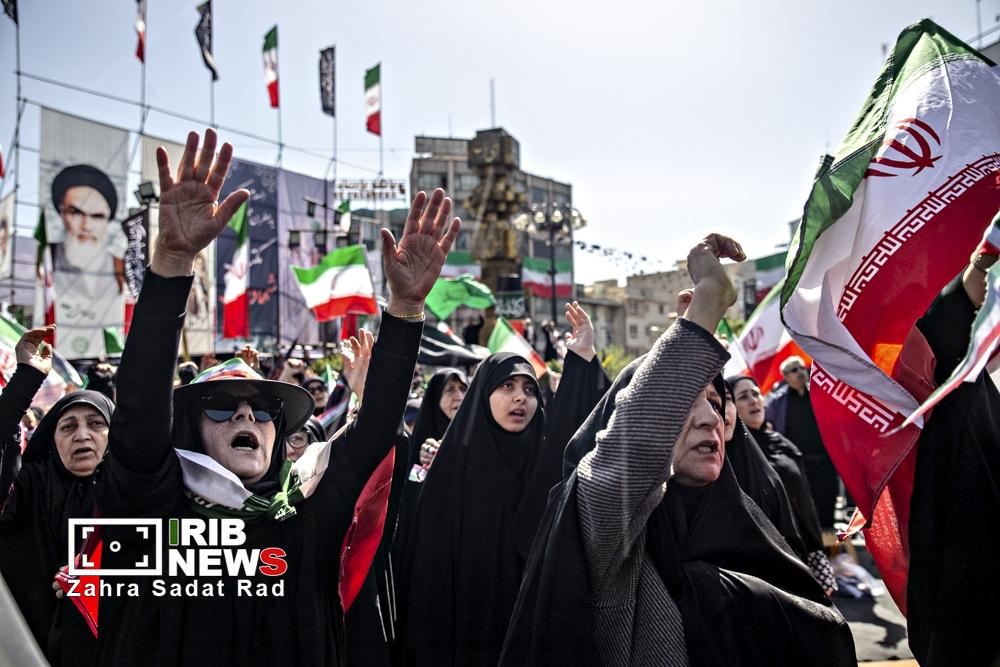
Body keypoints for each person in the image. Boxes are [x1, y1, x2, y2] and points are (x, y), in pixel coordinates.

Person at [92, 129, 460, 666]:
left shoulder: (308, 513)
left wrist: (404, 310)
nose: (246, 413)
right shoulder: (155, 507)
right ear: (191, 428)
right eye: (223, 407)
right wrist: (171, 263)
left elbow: (376, 429)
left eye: (262, 409)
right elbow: (140, 408)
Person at [499, 235, 855, 666]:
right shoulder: (609, 535)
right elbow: (633, 442)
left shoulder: (752, 524)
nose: (709, 418)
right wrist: (707, 305)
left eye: (716, 402)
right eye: (684, 402)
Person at [397, 301, 610, 666]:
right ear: (483, 394)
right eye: (507, 386)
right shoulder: (451, 473)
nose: (519, 397)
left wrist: (584, 359)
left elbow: (582, 425)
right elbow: (427, 579)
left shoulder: (546, 465)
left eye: (529, 389)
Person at [0, 324, 114, 666]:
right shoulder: (29, 487)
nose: (82, 435)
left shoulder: (132, 496)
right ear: (52, 438)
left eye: (96, 424)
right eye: (68, 427)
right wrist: (26, 380)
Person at [905, 254, 1000, 665]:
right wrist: (982, 260)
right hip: (966, 560)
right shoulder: (944, 376)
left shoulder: (974, 387)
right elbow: (959, 300)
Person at [731, 375, 833, 591]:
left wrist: (817, 554)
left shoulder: (783, 444)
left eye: (756, 393)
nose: (753, 400)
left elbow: (805, 504)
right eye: (743, 396)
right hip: (764, 565)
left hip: (802, 553)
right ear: (731, 406)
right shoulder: (731, 457)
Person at [49, 164, 127, 359]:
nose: (86, 225)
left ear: (108, 220)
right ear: (62, 214)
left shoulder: (119, 266)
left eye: (97, 216)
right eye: (76, 212)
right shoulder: (48, 258)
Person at [765, 355, 841, 527]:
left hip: (824, 462)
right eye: (794, 370)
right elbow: (769, 428)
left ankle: (830, 543)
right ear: (786, 377)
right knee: (803, 508)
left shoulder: (819, 394)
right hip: (798, 465)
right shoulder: (777, 402)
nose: (800, 372)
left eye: (801, 368)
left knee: (827, 505)